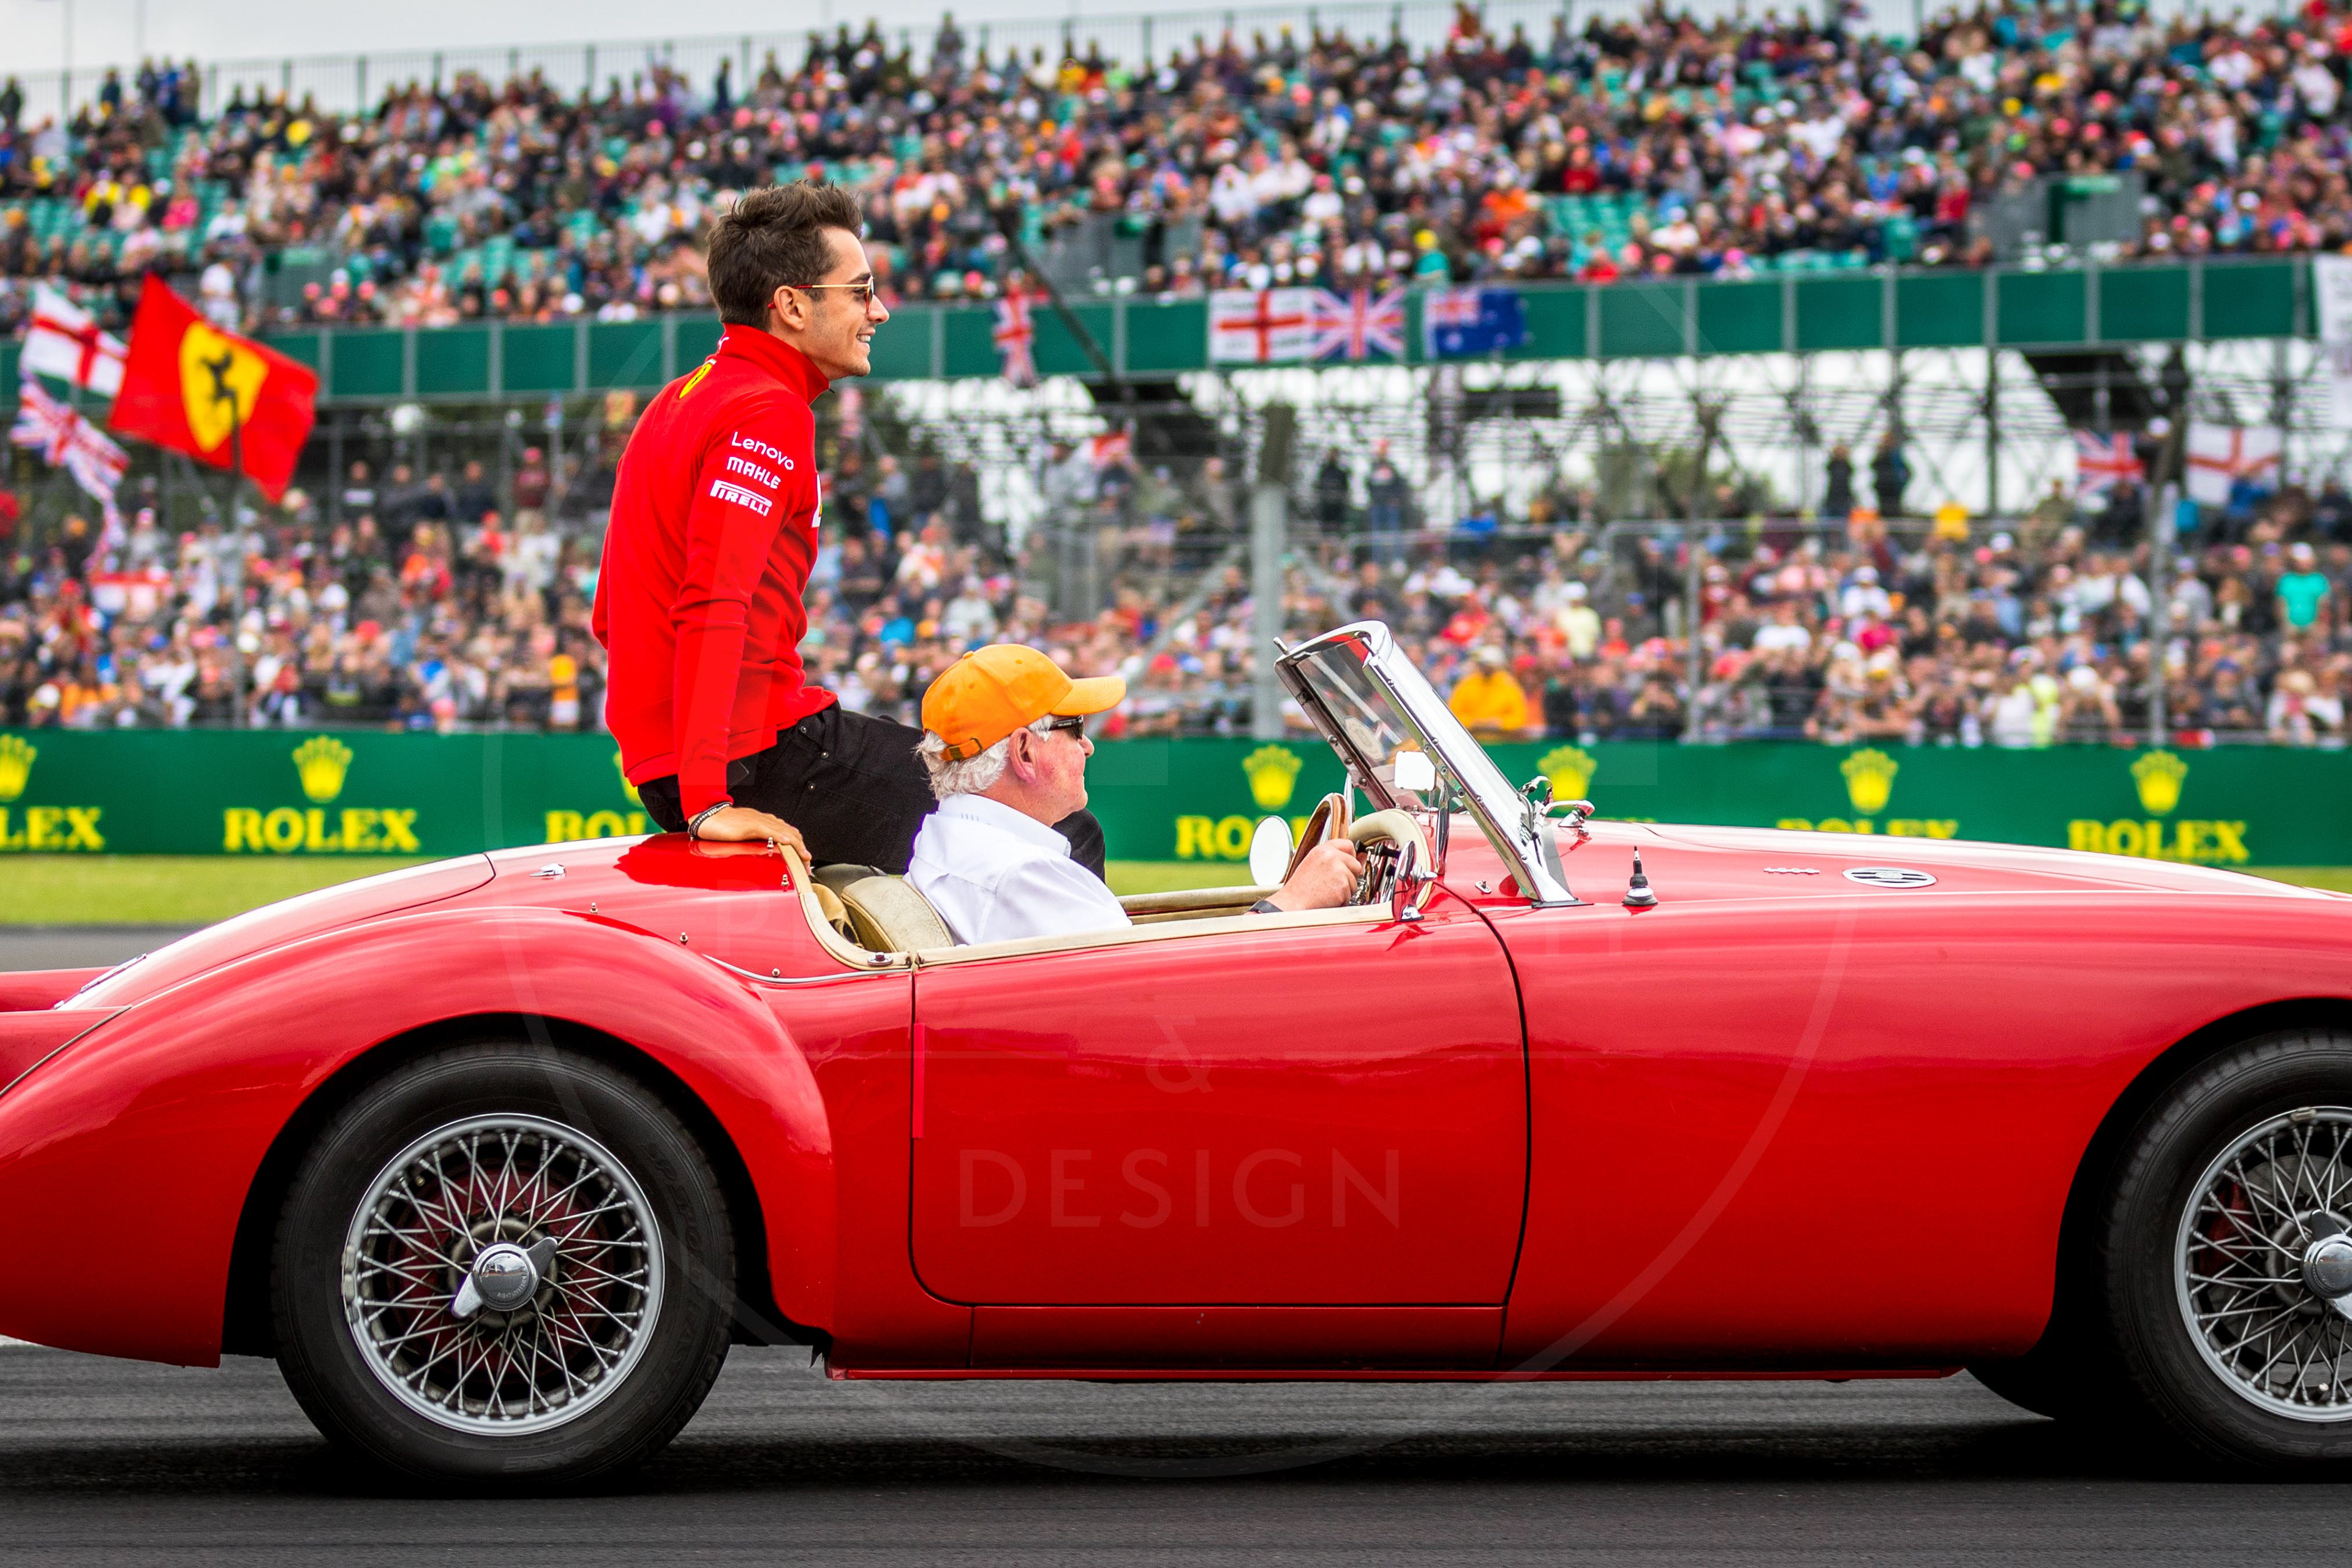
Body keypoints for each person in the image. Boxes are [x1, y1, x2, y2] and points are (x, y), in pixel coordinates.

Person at [594, 180, 1108, 875]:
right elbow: (713, 603)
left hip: (685, 760)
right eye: (861, 291)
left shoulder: (675, 401)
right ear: (792, 306)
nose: (880, 310)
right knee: (1059, 825)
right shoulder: (766, 410)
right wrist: (709, 800)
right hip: (752, 759)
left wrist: (680, 768)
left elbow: (610, 614)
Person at [908, 645, 1362, 945]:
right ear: (1025, 751)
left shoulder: (947, 838)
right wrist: (1293, 902)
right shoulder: (1023, 875)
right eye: (1075, 728)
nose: (1088, 746)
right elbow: (1160, 994)